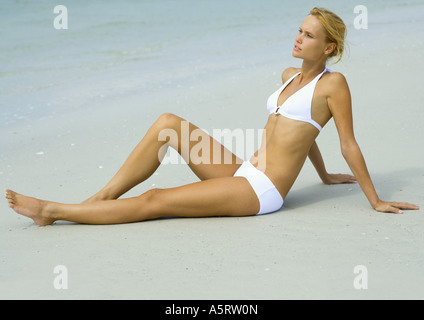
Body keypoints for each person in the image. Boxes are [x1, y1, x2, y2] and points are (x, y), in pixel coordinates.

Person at [5, 7, 419, 226]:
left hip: (263, 193)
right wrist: (325, 176)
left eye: (308, 35)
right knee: (168, 123)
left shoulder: (335, 84)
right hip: (244, 173)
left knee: (156, 201)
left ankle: (53, 211)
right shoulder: (288, 76)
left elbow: (346, 140)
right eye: (299, 30)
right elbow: (306, 133)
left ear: (328, 47)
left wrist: (375, 199)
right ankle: (99, 200)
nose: (298, 38)